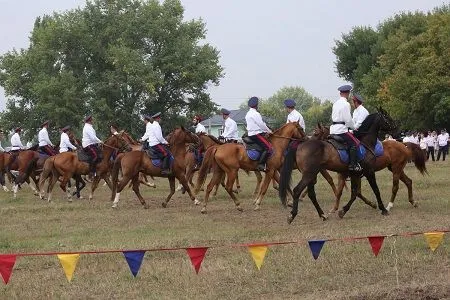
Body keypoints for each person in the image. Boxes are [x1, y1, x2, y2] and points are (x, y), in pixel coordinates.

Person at [330, 85, 361, 172]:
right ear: (348, 93)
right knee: (354, 144)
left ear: (340, 93)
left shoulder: (335, 103)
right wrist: (354, 128)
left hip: (333, 130)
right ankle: (352, 165)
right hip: (341, 130)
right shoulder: (346, 104)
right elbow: (348, 120)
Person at [245, 96, 273, 171]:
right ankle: (261, 164)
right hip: (256, 134)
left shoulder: (248, 114)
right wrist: (269, 131)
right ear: (257, 105)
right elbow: (261, 124)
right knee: (268, 148)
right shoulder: (256, 114)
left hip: (251, 134)